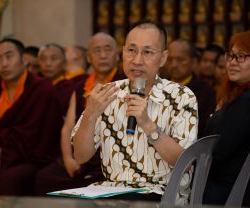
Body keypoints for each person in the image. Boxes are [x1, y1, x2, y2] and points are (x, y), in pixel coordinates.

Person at [72, 20, 198, 205]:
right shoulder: (107, 93)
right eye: (131, 50)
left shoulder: (182, 97)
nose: (137, 60)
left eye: (147, 52)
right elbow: (80, 156)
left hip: (162, 194)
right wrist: (90, 114)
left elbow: (185, 164)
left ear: (163, 58)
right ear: (122, 53)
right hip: (111, 193)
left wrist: (148, 125)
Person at [0, 38, 63, 196]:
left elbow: (36, 137)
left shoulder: (42, 89)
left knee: (12, 179)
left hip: (28, 158)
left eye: (9, 56)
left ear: (23, 60)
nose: (4, 64)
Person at [34, 32, 125, 195]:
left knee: (96, 182)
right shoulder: (79, 86)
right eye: (97, 51)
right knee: (44, 177)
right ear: (89, 58)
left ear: (117, 55)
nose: (103, 55)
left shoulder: (124, 83)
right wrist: (68, 158)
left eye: (108, 50)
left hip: (108, 157)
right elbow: (68, 126)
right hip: (79, 154)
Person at [203, 30, 250, 207]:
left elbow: (218, 151)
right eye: (231, 56)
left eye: (241, 57)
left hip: (230, 192)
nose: (232, 63)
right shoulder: (239, 95)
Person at [166, 39, 216, 138]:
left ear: (193, 62)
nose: (174, 65)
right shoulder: (158, 87)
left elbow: (206, 128)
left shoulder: (205, 91)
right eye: (170, 60)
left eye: (180, 60)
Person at [39, 43, 75, 116]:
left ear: (64, 62)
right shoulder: (36, 87)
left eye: (54, 58)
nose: (47, 64)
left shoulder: (70, 88)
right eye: (43, 59)